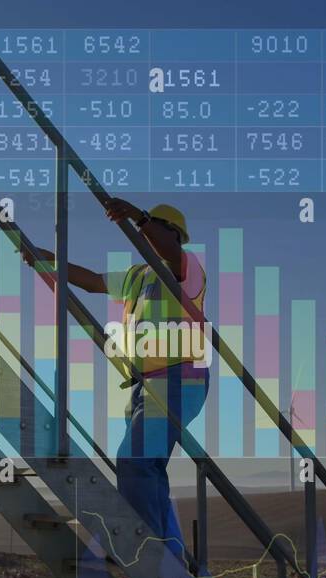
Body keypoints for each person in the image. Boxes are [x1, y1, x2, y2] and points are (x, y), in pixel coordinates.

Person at [21, 198, 208, 559]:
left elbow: (166, 249)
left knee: (135, 461)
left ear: (175, 236)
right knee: (149, 469)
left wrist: (139, 218)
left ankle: (151, 554)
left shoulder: (188, 269)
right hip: (145, 382)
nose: (148, 235)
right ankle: (173, 555)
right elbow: (91, 282)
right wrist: (46, 259)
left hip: (179, 375)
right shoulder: (139, 276)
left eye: (157, 229)